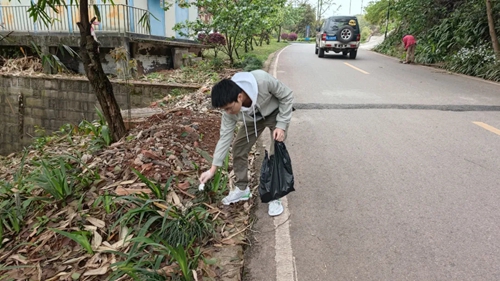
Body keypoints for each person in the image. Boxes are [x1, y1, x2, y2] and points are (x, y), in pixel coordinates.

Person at [199, 69, 294, 217]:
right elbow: (224, 138)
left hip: (274, 113)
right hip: (251, 120)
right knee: (238, 148)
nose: (228, 112)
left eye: (229, 108)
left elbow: (287, 95)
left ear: (239, 96)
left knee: (275, 149)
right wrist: (212, 169)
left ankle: (274, 195)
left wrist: (281, 124)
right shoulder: (229, 111)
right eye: (224, 110)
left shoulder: (262, 81)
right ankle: (242, 189)